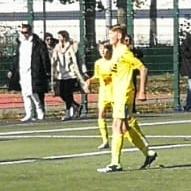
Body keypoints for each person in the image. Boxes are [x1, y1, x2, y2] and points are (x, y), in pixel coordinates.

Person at [98, 25, 157, 173]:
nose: (109, 37)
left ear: (118, 36)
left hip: (124, 94)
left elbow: (143, 68)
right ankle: (148, 153)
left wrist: (142, 91)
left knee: (116, 126)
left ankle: (115, 163)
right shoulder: (116, 52)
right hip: (118, 94)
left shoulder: (124, 52)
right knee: (124, 128)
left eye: (111, 34)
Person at [11, 24, 50, 122]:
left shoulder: (38, 43)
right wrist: (12, 70)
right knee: (25, 93)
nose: (25, 34)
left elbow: (44, 57)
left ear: (30, 31)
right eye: (23, 32)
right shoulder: (20, 43)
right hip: (22, 72)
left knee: (33, 92)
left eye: (26, 32)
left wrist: (46, 70)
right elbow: (16, 58)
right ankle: (29, 113)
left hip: (34, 72)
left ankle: (39, 111)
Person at [50, 29, 87, 119]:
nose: (58, 39)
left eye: (60, 37)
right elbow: (54, 60)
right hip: (61, 74)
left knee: (68, 93)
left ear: (64, 37)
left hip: (71, 74)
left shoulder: (72, 47)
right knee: (61, 93)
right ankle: (76, 106)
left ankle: (68, 112)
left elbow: (79, 60)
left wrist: (84, 71)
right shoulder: (57, 47)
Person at [88, 41, 115, 150]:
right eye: (100, 49)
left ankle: (118, 138)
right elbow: (97, 76)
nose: (102, 51)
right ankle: (105, 141)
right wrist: (89, 81)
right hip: (104, 93)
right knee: (101, 114)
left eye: (105, 49)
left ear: (110, 50)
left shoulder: (115, 61)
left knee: (119, 118)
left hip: (115, 92)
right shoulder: (98, 63)